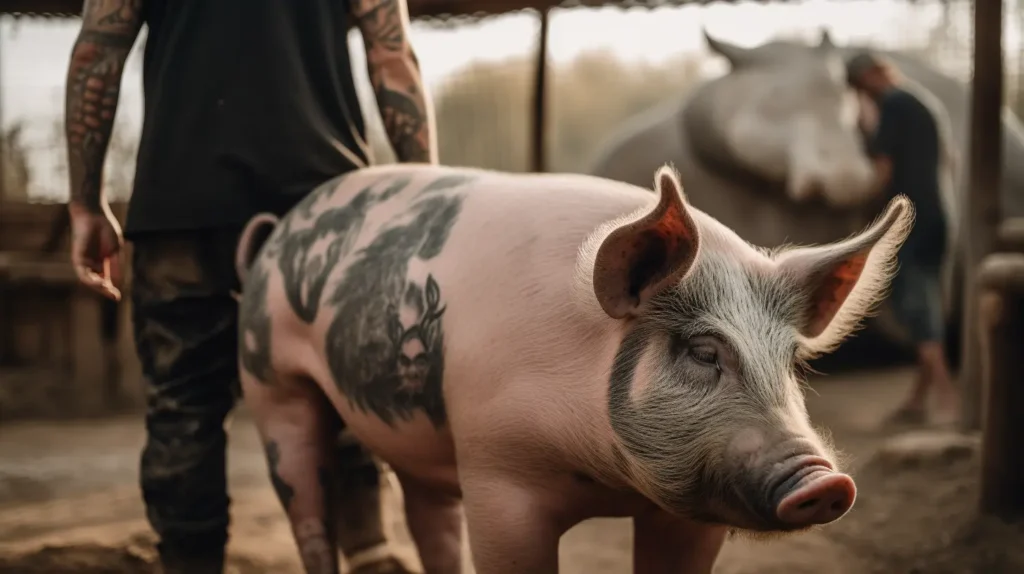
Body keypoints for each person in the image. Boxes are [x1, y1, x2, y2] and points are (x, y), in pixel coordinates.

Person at [63, 1, 436, 572]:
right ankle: (369, 553)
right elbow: (392, 58)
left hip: (182, 206)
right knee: (344, 391)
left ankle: (190, 563)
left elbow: (98, 51)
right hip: (324, 208)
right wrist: (423, 196)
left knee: (182, 413)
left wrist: (86, 202)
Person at [846, 51, 961, 426]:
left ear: (865, 81)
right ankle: (918, 400)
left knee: (915, 305)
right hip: (939, 214)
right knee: (927, 302)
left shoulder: (893, 106)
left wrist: (865, 212)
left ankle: (946, 399)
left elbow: (882, 169)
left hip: (910, 217)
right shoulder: (922, 102)